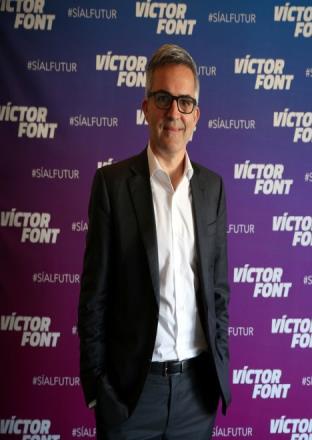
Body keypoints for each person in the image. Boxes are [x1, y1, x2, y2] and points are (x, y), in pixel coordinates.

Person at [78, 44, 231, 440]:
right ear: (146, 107)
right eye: (163, 99)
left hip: (196, 395)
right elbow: (94, 296)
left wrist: (219, 372)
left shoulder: (212, 188)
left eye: (185, 102)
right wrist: (97, 389)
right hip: (130, 396)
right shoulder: (112, 185)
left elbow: (218, 293)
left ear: (196, 115)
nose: (174, 112)